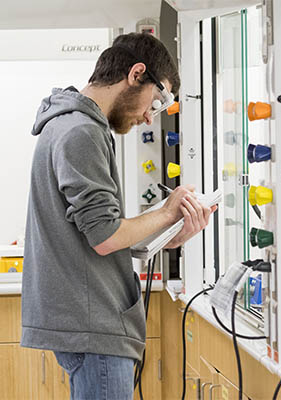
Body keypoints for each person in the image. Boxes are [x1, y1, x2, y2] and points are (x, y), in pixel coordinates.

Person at [21, 32, 216, 400]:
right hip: (95, 326)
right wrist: (167, 210)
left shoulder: (69, 125)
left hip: (91, 322)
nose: (148, 116)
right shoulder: (80, 131)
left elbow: (99, 234)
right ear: (136, 73)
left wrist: (170, 233)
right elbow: (105, 235)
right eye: (156, 101)